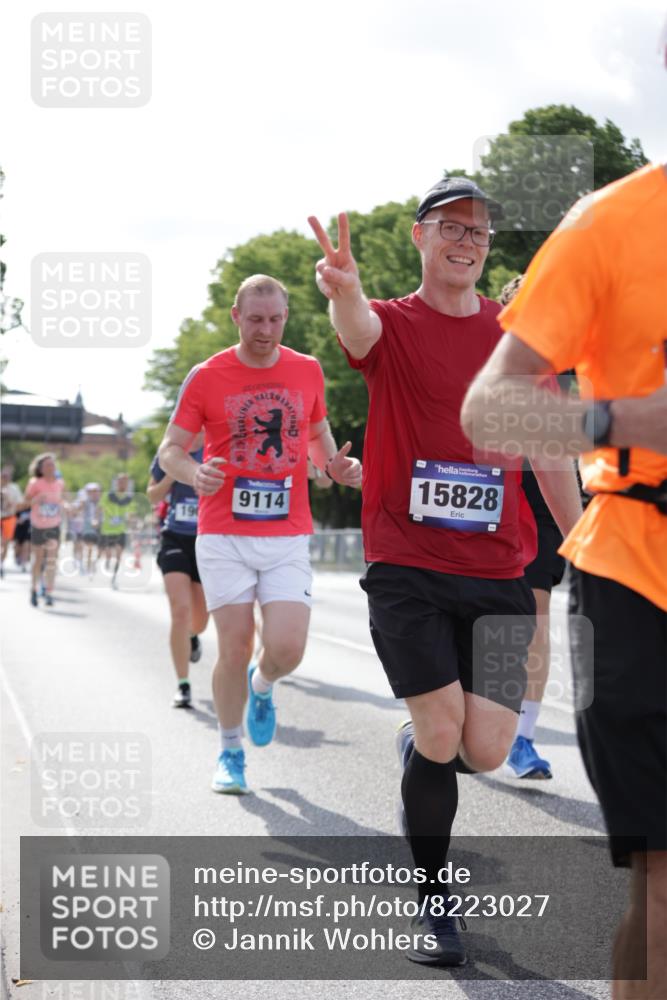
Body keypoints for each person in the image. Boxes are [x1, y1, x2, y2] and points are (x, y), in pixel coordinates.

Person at [308, 180, 582, 967]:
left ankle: (421, 751)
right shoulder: (391, 323)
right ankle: (436, 907)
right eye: (451, 228)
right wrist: (346, 290)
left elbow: (549, 451)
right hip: (408, 565)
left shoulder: (521, 339)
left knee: (488, 750)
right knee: (439, 732)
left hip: (499, 568)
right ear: (421, 236)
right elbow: (353, 327)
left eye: (479, 233)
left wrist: (581, 543)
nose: (467, 241)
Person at [461, 156, 667, 994]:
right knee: (662, 888)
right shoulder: (609, 223)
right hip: (638, 572)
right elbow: (488, 409)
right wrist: (622, 416)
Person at [158, 274, 361, 795]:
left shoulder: (307, 369)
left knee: (288, 647)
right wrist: (191, 473)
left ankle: (264, 683)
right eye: (255, 320)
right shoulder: (207, 376)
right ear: (236, 317)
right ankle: (230, 751)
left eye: (274, 319)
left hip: (286, 531)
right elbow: (170, 449)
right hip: (223, 532)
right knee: (235, 643)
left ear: (286, 317)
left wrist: (330, 467)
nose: (265, 330)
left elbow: (315, 432)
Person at [498, 275, 569, 780]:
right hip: (486, 488)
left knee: (536, 617)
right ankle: (463, 706)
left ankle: (523, 738)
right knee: (483, 607)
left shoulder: (564, 366)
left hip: (542, 488)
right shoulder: (485, 357)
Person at [147, 441, 209, 708]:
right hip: (175, 538)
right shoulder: (170, 451)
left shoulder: (218, 448)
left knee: (200, 621)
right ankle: (183, 684)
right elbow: (152, 495)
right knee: (179, 611)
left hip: (209, 542)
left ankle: (193, 636)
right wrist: (173, 474)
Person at [19, 453, 64, 607]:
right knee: (38, 560)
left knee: (51, 560)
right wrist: (35, 500)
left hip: (54, 525)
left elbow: (60, 502)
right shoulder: (34, 483)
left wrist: (69, 508)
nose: (51, 467)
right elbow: (24, 504)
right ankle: (34, 588)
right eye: (48, 465)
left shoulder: (60, 483)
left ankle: (49, 591)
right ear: (41, 469)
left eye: (53, 465)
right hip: (38, 525)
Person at [98, 473, 135, 589]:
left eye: (125, 481)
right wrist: (102, 517)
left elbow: (131, 512)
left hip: (121, 530)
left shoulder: (129, 498)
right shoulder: (109, 495)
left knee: (119, 554)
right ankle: (108, 561)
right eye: (120, 481)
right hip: (108, 530)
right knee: (109, 553)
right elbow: (100, 507)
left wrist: (130, 519)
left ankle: (114, 577)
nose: (122, 483)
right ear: (116, 482)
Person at [0, 466, 23, 578]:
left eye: (7, 476)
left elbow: (20, 504)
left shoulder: (14, 488)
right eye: (3, 476)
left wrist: (11, 503)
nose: (5, 478)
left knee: (5, 543)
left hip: (8, 517)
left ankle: (1, 564)